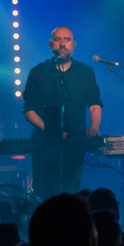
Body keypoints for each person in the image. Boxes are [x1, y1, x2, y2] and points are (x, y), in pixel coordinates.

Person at [22, 26, 103, 198]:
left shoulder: (86, 72)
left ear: (74, 44)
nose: (62, 44)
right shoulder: (38, 72)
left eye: (67, 40)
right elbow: (29, 111)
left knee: (72, 191)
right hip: (44, 145)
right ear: (50, 44)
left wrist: (95, 126)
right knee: (45, 195)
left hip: (75, 144)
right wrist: (53, 132)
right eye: (58, 39)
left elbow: (94, 104)